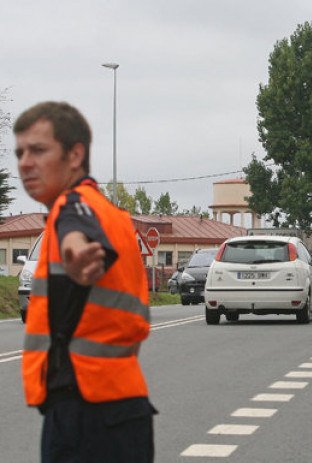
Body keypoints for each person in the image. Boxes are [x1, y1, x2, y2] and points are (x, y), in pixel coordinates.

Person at [15, 101, 155, 462]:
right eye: (20, 152)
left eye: (38, 150)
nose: (25, 163)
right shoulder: (117, 217)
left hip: (84, 413)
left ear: (75, 154)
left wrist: (78, 256)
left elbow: (77, 235)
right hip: (124, 407)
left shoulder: (71, 206)